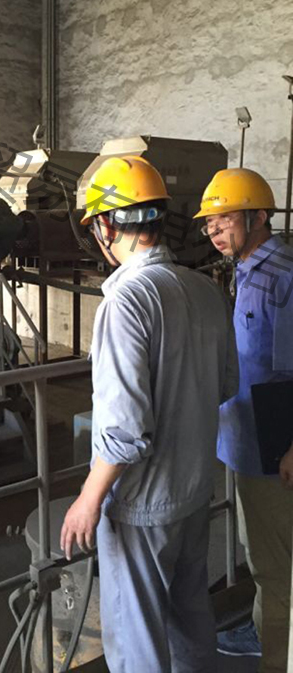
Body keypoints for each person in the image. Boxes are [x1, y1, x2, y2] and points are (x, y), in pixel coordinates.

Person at [60, 155, 239, 673]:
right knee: (189, 619)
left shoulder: (126, 303)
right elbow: (227, 385)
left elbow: (124, 430)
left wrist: (88, 499)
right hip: (194, 489)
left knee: (137, 642)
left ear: (105, 226)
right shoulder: (205, 289)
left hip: (141, 504)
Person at [194, 167, 293, 672]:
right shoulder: (248, 268)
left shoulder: (283, 276)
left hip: (274, 450)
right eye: (208, 222)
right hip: (249, 441)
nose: (213, 230)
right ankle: (263, 629)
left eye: (225, 217)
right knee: (261, 554)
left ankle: (277, 659)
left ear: (258, 217)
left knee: (275, 567)